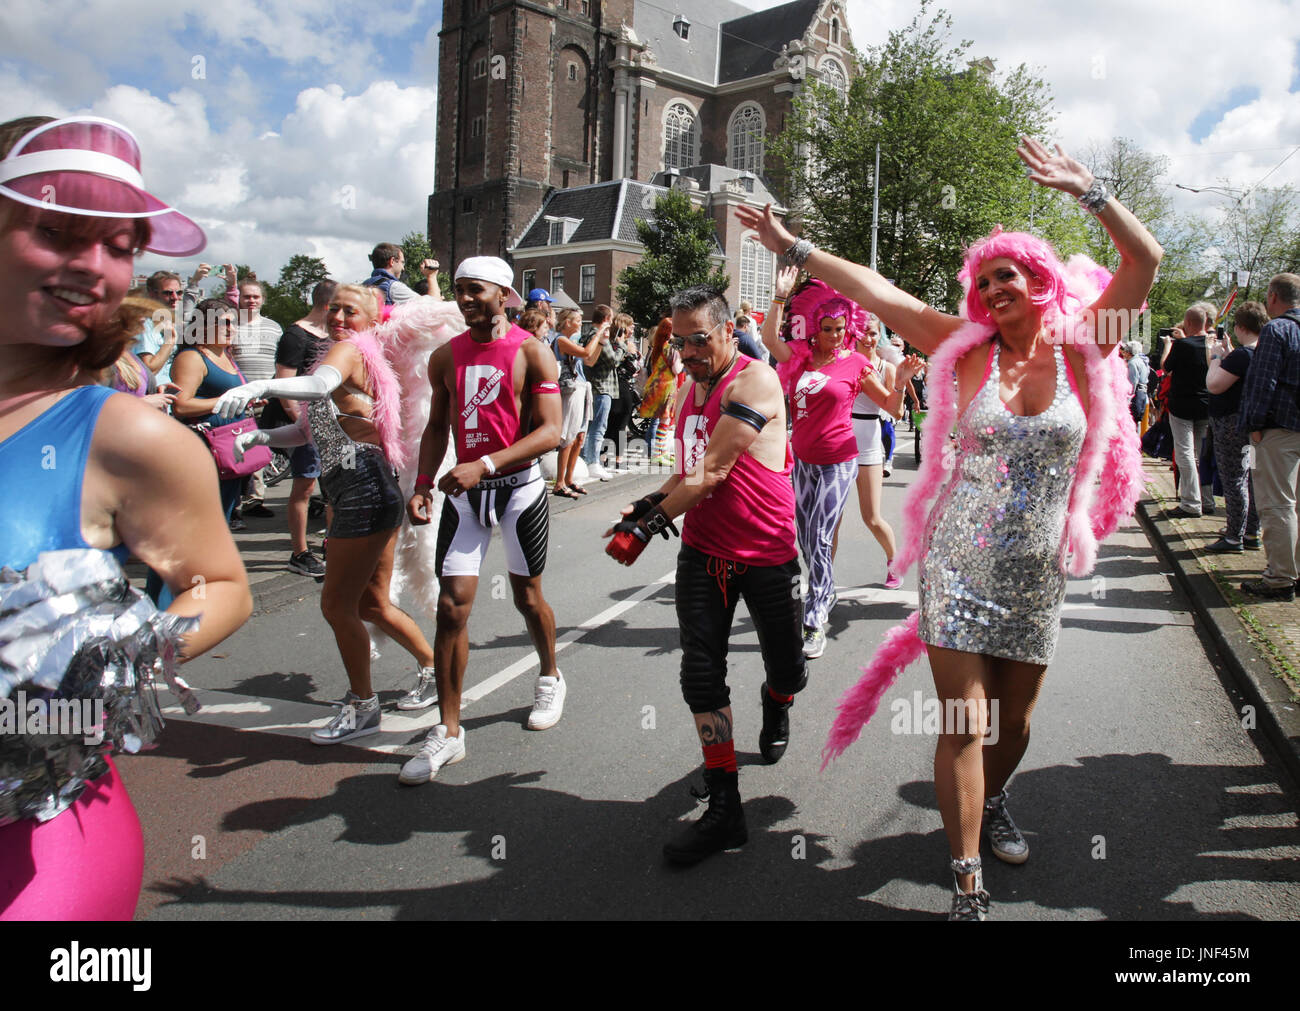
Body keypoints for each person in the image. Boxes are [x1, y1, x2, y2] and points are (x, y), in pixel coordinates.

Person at [741, 136, 1160, 919]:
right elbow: (878, 292)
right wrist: (794, 247)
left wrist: (1088, 190)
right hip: (958, 563)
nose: (995, 287)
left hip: (1035, 569)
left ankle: (992, 797)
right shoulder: (960, 350)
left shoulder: (1080, 351)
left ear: (1040, 282)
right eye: (984, 279)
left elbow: (1146, 263)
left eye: (1009, 275)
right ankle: (967, 878)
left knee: (1017, 724)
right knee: (965, 721)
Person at [0, 114, 251, 919]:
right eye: (60, 231)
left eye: (118, 244)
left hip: (43, 850)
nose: (93, 266)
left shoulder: (129, 435)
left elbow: (219, 582)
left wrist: (115, 665)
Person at [603, 285, 808, 865]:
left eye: (699, 339)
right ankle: (725, 808)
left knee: (790, 669)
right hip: (702, 552)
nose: (687, 351)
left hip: (767, 553)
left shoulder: (755, 381)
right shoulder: (691, 389)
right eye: (678, 340)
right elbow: (688, 472)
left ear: (725, 331)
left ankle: (777, 700)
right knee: (700, 675)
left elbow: (715, 471)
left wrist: (644, 531)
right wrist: (648, 505)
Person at [216, 284, 440, 737]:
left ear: (373, 320)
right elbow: (305, 431)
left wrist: (262, 383)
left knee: (338, 605)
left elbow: (318, 387)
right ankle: (434, 669)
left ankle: (362, 705)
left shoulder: (352, 350)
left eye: (350, 310)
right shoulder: (344, 353)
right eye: (333, 307)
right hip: (357, 488)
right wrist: (260, 438)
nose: (339, 316)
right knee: (372, 604)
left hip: (363, 488)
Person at [403, 256, 564, 783]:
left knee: (527, 597)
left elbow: (551, 433)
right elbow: (434, 429)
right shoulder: (445, 356)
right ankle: (449, 731)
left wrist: (487, 463)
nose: (465, 299)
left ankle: (549, 676)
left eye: (475, 290)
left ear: (503, 293)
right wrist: (423, 483)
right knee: (452, 609)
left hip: (518, 490)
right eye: (458, 291)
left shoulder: (533, 352)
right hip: (464, 496)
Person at [761, 277, 920, 659]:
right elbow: (769, 339)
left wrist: (899, 382)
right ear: (816, 327)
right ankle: (825, 590)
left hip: (840, 461)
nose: (834, 336)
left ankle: (815, 619)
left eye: (840, 329)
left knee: (818, 537)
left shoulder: (857, 364)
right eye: (828, 329)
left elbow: (894, 410)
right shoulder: (799, 357)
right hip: (803, 460)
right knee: (804, 537)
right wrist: (780, 296)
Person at [259, 278, 337, 578]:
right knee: (304, 487)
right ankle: (300, 552)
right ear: (328, 306)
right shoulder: (296, 335)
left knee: (331, 488)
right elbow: (284, 384)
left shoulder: (330, 335)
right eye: (338, 308)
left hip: (326, 421)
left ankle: (332, 543)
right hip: (302, 423)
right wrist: (302, 424)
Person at [1237, 274, 1300, 600]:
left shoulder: (1277, 330)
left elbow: (1263, 382)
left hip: (1278, 430)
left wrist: (1254, 425)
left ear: (1273, 297)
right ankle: (1294, 572)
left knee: (1277, 505)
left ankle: (1280, 579)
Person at [1204, 303, 1267, 554]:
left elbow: (1214, 385)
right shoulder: (1263, 352)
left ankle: (1233, 537)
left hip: (1231, 426)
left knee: (1234, 480)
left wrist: (1216, 358)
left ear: (1240, 326)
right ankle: (1251, 531)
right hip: (1254, 427)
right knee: (1251, 477)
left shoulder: (1243, 355)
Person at [1159, 302, 1215, 516]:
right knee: (1202, 454)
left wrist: (1167, 347)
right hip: (1205, 406)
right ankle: (1207, 500)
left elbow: (1166, 367)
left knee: (1185, 453)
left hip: (1182, 406)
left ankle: (1191, 503)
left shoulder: (1184, 345)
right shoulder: (1212, 344)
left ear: (1189, 322)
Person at [551, 306, 602, 497]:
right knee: (568, 436)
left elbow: (590, 360)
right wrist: (599, 333)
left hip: (580, 388)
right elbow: (587, 353)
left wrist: (602, 343)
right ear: (567, 322)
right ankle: (559, 483)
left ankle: (569, 479)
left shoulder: (570, 340)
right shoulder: (561, 340)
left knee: (580, 436)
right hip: (570, 390)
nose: (581, 323)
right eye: (578, 320)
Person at [579, 303, 620, 480]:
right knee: (598, 427)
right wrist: (622, 347)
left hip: (594, 386)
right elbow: (613, 360)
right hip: (602, 387)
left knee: (589, 427)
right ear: (606, 319)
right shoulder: (600, 336)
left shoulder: (587, 335)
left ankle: (586, 460)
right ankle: (592, 461)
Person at [636, 317, 683, 465]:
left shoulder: (658, 347)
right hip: (667, 386)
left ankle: (661, 452)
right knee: (665, 420)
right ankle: (658, 453)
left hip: (658, 385)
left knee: (662, 420)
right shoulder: (671, 349)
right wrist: (682, 360)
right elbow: (677, 369)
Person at [362, 242, 436, 305]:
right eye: (402, 262)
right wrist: (431, 276)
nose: (403, 268)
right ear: (392, 261)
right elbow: (433, 307)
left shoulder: (363, 287)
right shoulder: (394, 288)